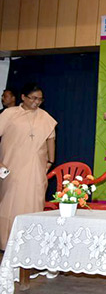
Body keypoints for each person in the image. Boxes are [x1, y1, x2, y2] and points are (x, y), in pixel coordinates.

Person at [0, 84, 57, 250]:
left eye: (40, 99)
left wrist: (50, 161)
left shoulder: (45, 117)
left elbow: (50, 139)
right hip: (12, 167)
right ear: (23, 97)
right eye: (33, 98)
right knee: (10, 205)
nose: (36, 102)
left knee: (33, 203)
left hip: (36, 168)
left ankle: (31, 247)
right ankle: (7, 244)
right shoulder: (10, 114)